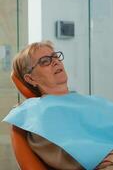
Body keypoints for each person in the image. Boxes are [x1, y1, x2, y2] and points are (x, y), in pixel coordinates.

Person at [3, 41, 113, 170]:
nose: (56, 61)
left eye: (55, 56)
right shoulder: (35, 113)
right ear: (31, 79)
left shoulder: (91, 101)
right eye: (45, 61)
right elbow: (71, 156)